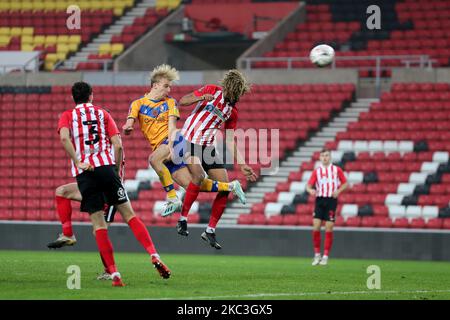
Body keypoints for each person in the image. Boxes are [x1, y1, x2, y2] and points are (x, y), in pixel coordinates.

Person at [58, 81, 171, 286]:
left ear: (73, 97)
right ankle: (154, 254)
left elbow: (64, 138)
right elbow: (118, 145)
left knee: (99, 226)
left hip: (86, 173)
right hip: (108, 170)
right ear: (91, 95)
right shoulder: (103, 114)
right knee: (130, 215)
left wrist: (77, 161)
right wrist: (116, 171)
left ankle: (114, 274)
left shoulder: (67, 115)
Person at [122, 64, 247, 220]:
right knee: (191, 185)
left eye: (170, 87)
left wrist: (171, 145)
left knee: (153, 159)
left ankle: (173, 198)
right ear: (155, 85)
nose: (169, 90)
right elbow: (129, 121)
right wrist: (128, 127)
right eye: (166, 86)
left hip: (174, 141)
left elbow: (172, 127)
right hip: (162, 146)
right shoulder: (137, 104)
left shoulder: (170, 103)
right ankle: (230, 186)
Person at [176, 69, 258, 250]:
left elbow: (229, 139)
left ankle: (210, 230)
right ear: (227, 87)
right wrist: (200, 98)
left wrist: (242, 163)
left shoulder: (232, 112)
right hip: (188, 140)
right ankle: (182, 219)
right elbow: (182, 101)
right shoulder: (212, 91)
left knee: (226, 186)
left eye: (237, 95)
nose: (233, 97)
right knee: (198, 176)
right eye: (232, 93)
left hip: (208, 147)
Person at [306, 148, 348, 266]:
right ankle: (317, 255)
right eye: (323, 156)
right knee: (316, 226)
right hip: (320, 200)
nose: (325, 157)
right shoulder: (317, 171)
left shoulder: (336, 170)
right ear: (320, 158)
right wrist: (310, 190)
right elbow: (308, 186)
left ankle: (325, 256)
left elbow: (345, 183)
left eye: (327, 155)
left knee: (329, 228)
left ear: (330, 157)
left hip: (331, 200)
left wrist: (338, 191)